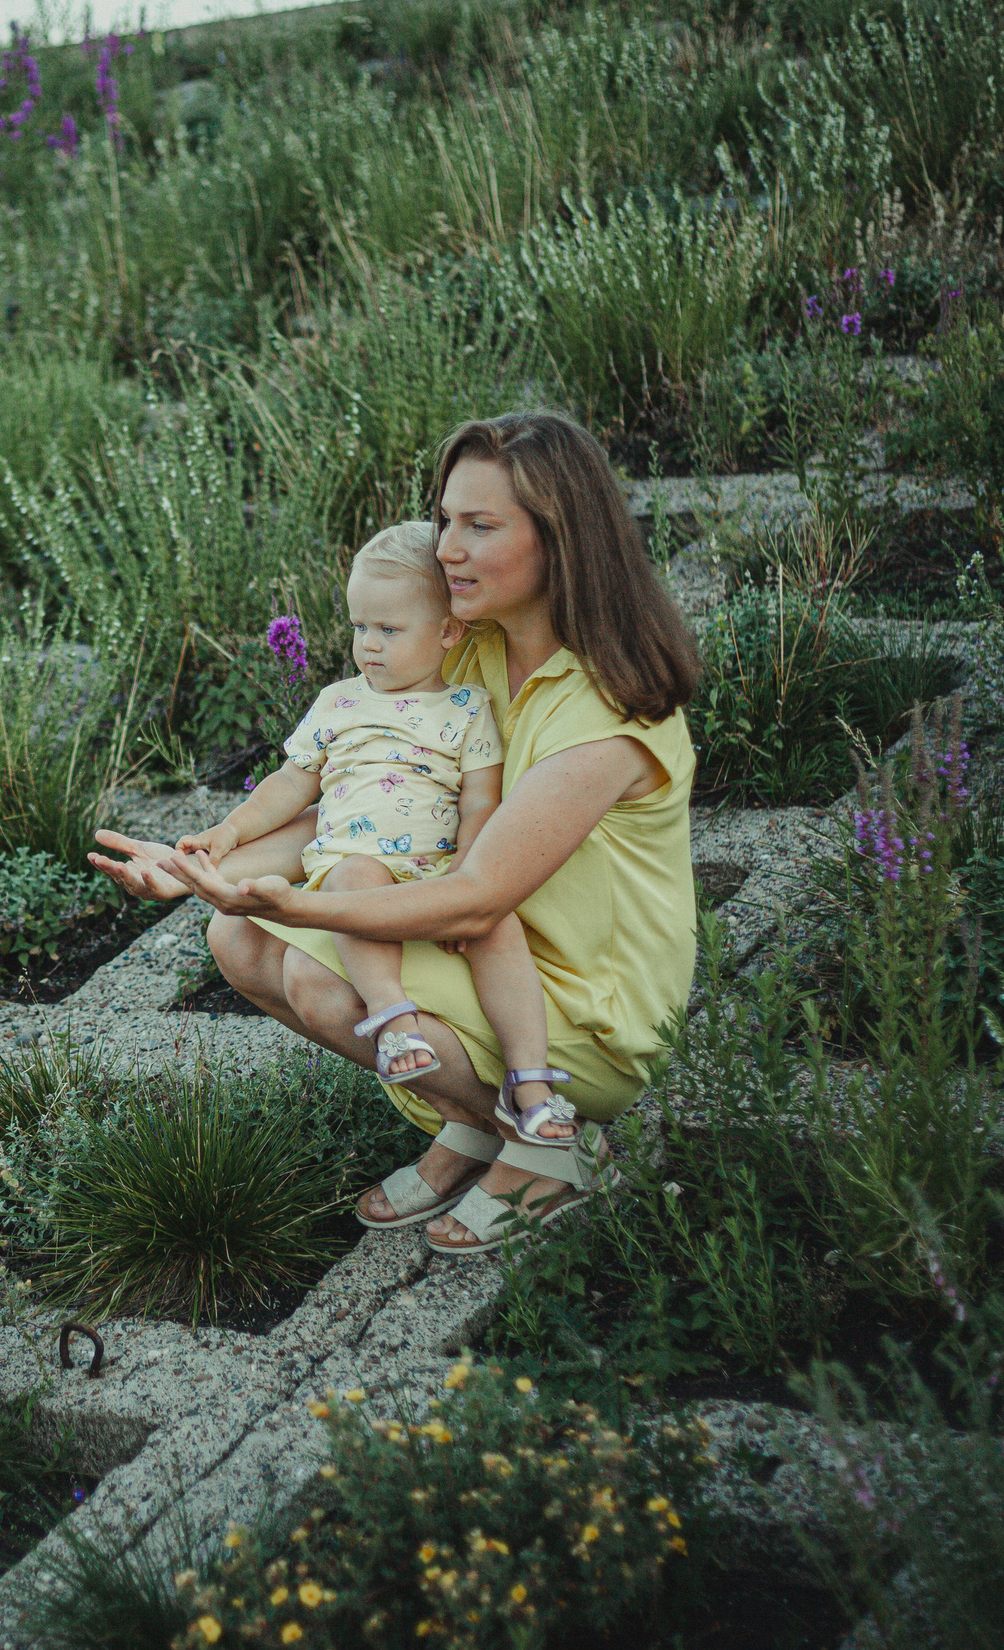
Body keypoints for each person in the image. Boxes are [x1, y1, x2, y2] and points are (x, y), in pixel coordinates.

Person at [91, 411, 699, 1255]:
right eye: (445, 519)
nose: (446, 548)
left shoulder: (608, 710)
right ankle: (477, 1121)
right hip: (479, 946)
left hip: (580, 1005)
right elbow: (372, 808)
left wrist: (304, 908)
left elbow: (477, 897)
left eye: (479, 526)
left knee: (317, 971)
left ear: (560, 537)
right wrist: (201, 860)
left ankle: (550, 1147)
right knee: (234, 935)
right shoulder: (470, 652)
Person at [174, 522, 550, 1108]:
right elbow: (291, 782)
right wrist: (229, 831)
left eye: (389, 630)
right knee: (355, 875)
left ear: (448, 631)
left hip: (438, 874)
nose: (368, 644)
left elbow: (481, 801)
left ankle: (533, 1079)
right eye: (359, 627)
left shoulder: (466, 708)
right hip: (358, 871)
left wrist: (462, 876)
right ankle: (392, 1016)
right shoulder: (340, 701)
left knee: (498, 928)